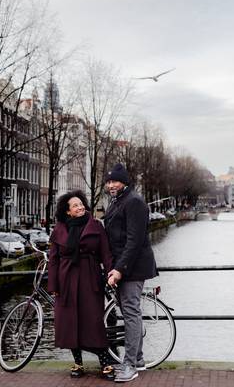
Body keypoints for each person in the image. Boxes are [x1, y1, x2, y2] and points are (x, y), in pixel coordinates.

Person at [47, 189, 115, 380]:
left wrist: (111, 273)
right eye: (75, 205)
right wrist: (54, 286)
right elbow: (53, 260)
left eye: (81, 204)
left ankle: (105, 363)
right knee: (69, 323)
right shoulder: (59, 229)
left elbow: (106, 253)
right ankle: (78, 363)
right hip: (66, 280)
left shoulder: (95, 225)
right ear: (67, 211)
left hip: (89, 278)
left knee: (93, 322)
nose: (80, 207)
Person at [104, 163, 158, 383]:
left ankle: (129, 365)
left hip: (132, 268)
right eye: (108, 182)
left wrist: (118, 269)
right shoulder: (117, 201)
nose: (111, 185)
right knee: (130, 313)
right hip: (122, 266)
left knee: (131, 313)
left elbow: (134, 241)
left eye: (115, 181)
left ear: (124, 182)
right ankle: (139, 359)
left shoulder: (134, 202)